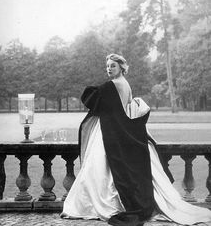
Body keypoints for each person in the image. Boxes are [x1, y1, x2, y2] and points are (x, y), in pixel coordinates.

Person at [61, 53, 211, 226]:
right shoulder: (126, 84)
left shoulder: (113, 85)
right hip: (116, 131)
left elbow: (89, 97)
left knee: (98, 170)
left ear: (122, 68)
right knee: (103, 171)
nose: (109, 69)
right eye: (108, 66)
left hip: (110, 133)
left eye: (113, 66)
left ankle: (93, 206)